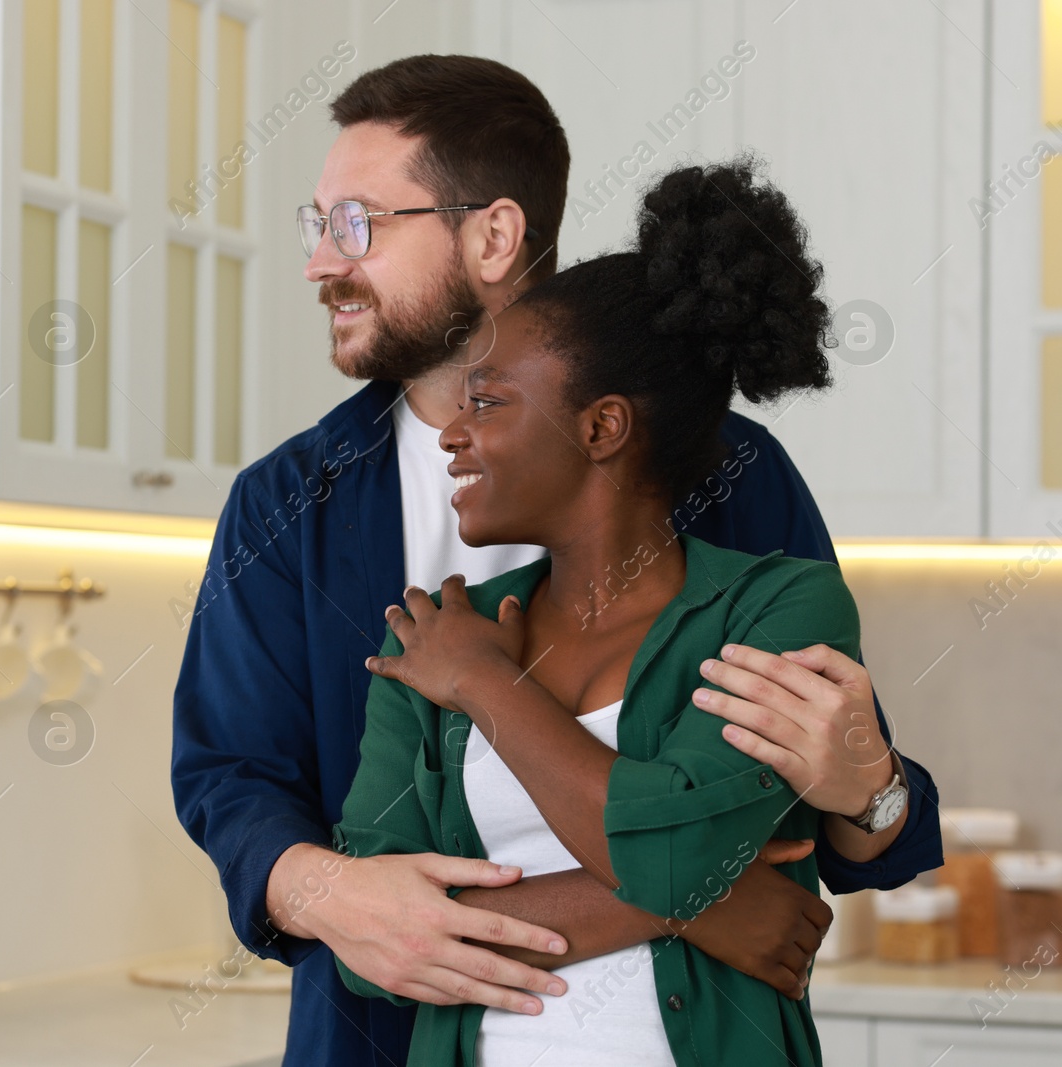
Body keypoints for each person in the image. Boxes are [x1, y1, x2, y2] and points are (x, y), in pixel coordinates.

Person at [171, 54, 942, 1067]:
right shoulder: (285, 505)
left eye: (355, 224)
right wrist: (682, 899)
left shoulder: (731, 476)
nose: (321, 263)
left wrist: (871, 791)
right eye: (316, 227)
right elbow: (231, 778)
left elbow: (830, 788)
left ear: (492, 235)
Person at [338, 155, 856, 1067]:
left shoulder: (775, 606)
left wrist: (486, 683)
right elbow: (371, 951)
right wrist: (696, 895)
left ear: (601, 427)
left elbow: (674, 859)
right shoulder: (427, 632)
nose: (453, 431)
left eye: (488, 401)